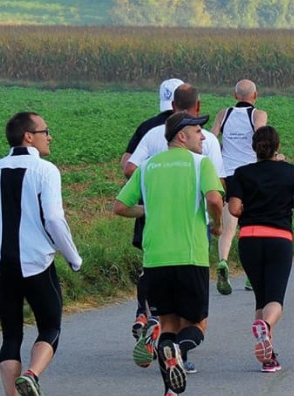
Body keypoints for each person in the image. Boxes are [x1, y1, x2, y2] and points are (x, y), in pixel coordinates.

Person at [0, 112, 82, 396]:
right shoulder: (46, 170)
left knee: (11, 335)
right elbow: (54, 219)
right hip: (37, 263)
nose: (49, 137)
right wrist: (73, 257)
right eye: (45, 131)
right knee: (50, 326)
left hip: (0, 265)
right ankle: (32, 374)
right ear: (28, 136)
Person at [114, 112, 225, 396]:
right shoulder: (202, 164)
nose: (203, 136)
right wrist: (217, 224)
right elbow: (214, 198)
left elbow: (120, 206)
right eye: (197, 131)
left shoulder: (148, 166)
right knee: (197, 325)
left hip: (155, 260)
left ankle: (170, 391)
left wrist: (148, 210)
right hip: (190, 257)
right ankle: (178, 349)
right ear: (181, 136)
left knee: (168, 325)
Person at [227, 125, 294, 373]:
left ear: (253, 147)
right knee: (275, 300)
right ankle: (265, 326)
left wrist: (249, 209)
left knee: (261, 297)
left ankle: (268, 357)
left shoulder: (241, 174)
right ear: (277, 147)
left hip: (250, 240)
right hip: (279, 239)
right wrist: (290, 202)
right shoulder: (290, 172)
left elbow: (234, 209)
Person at [122, 78, 183, 341]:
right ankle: (167, 323)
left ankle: (143, 313)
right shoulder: (188, 131)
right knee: (180, 268)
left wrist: (144, 190)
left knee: (150, 263)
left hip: (149, 209)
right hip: (182, 211)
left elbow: (127, 163)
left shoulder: (147, 127)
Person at [211, 79, 268, 295]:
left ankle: (223, 262)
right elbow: (261, 139)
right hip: (251, 174)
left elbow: (211, 137)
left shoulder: (223, 114)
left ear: (235, 96)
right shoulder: (258, 115)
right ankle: (251, 277)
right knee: (251, 227)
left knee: (228, 228)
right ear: (256, 95)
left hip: (227, 175)